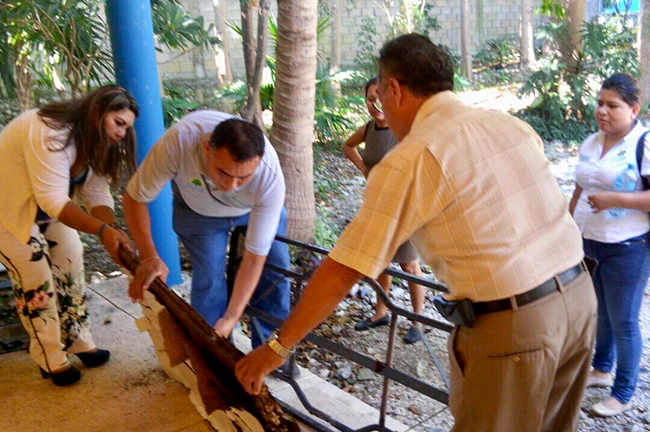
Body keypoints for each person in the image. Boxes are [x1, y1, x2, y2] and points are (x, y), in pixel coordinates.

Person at [235, 34, 596, 432]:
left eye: (381, 96)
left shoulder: (412, 157)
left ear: (394, 88)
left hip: (516, 329)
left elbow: (345, 269)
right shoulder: (508, 125)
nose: (380, 107)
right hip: (578, 301)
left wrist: (275, 348)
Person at [0, 85, 138, 386]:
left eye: (127, 128)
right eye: (119, 123)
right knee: (34, 277)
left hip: (43, 208)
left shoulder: (97, 142)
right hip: (7, 209)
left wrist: (111, 229)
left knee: (71, 260)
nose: (122, 133)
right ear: (96, 113)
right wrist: (103, 231)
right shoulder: (51, 132)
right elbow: (53, 199)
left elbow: (96, 192)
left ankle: (78, 341)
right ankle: (50, 358)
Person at [123, 111, 291, 352]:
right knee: (209, 277)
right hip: (198, 211)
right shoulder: (179, 142)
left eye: (243, 177)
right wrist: (148, 254)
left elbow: (255, 258)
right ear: (207, 149)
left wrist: (233, 316)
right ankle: (217, 353)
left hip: (253, 208)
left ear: (259, 160)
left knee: (275, 270)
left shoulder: (270, 176)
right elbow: (135, 196)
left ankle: (269, 351)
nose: (231, 185)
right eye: (223, 172)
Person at [568, 73, 650, 417]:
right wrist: (566, 225)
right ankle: (602, 370)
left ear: (634, 109)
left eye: (612, 105)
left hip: (627, 246)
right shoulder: (591, 141)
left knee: (624, 320)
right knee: (600, 312)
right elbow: (579, 187)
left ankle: (624, 391)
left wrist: (616, 198)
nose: (602, 111)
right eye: (600, 103)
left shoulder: (644, 143)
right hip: (590, 242)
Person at [343, 76, 425, 344]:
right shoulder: (367, 130)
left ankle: (418, 319)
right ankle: (381, 312)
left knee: (409, 264)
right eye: (370, 98)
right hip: (376, 206)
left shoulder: (403, 130)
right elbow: (347, 146)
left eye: (379, 97)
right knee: (380, 262)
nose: (375, 103)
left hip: (404, 208)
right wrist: (365, 169)